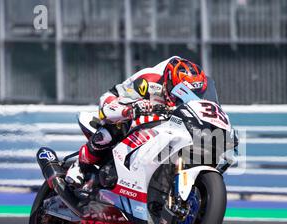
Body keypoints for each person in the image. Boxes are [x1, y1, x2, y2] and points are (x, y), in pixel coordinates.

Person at [65, 56, 208, 187]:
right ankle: (80, 166)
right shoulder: (149, 81)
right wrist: (132, 108)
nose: (187, 97)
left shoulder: (188, 98)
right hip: (118, 104)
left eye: (196, 94)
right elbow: (112, 103)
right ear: (170, 81)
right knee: (115, 127)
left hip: (167, 123)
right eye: (182, 91)